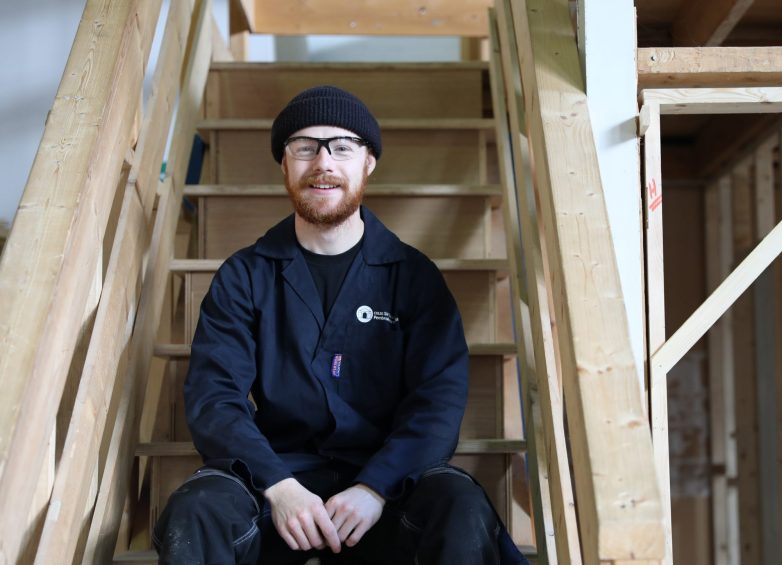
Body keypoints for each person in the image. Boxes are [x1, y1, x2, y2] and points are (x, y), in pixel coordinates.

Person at [153, 86, 526, 565]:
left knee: (460, 506)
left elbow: (439, 400)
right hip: (278, 483)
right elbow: (214, 397)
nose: (323, 163)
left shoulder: (414, 278)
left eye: (342, 148)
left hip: (388, 488)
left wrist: (376, 486)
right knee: (196, 510)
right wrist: (280, 486)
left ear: (368, 162)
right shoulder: (244, 277)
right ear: (284, 164)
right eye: (305, 147)